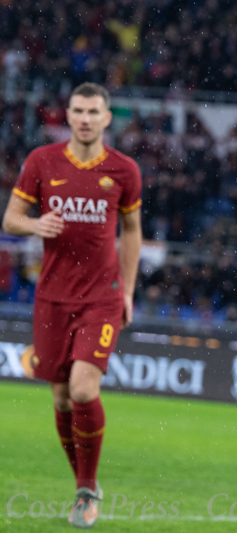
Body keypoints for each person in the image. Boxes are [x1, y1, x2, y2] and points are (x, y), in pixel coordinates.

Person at [2, 82, 142, 529]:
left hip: (100, 297)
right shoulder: (41, 161)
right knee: (62, 399)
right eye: (78, 110)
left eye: (93, 111)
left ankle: (85, 490)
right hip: (51, 298)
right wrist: (35, 224)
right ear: (68, 115)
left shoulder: (123, 170)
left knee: (83, 389)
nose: (85, 118)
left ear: (106, 118)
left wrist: (128, 290)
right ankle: (85, 484)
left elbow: (133, 230)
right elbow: (10, 219)